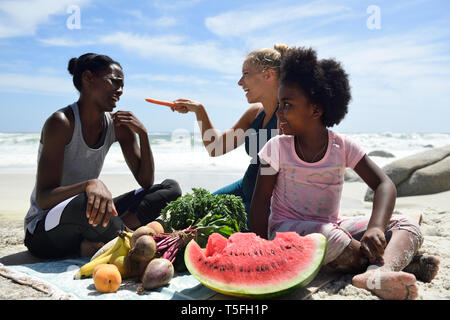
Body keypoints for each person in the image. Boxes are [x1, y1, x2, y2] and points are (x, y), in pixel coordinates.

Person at [250, 46, 440, 300]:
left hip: (333, 226)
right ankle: (398, 264)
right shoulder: (275, 148)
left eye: (287, 105)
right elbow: (260, 203)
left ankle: (379, 273)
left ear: (315, 110)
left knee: (405, 223)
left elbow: (384, 184)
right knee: (331, 236)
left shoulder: (342, 146)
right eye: (279, 105)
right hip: (286, 232)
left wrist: (375, 227)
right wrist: (260, 250)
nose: (279, 113)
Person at [24, 53, 182, 259]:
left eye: (122, 85)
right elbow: (44, 198)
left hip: (87, 214)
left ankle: (105, 238)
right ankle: (126, 240)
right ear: (88, 78)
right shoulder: (61, 123)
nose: (120, 91)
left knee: (170, 188)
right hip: (44, 230)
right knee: (85, 201)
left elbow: (146, 181)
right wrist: (88, 185)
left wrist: (142, 134)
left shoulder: (118, 127)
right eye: (114, 82)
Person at [170, 44, 288, 227]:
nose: (240, 82)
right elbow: (216, 148)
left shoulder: (289, 118)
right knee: (191, 211)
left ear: (268, 75)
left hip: (269, 205)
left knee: (205, 228)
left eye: (246, 74)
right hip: (244, 187)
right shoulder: (255, 113)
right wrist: (199, 110)